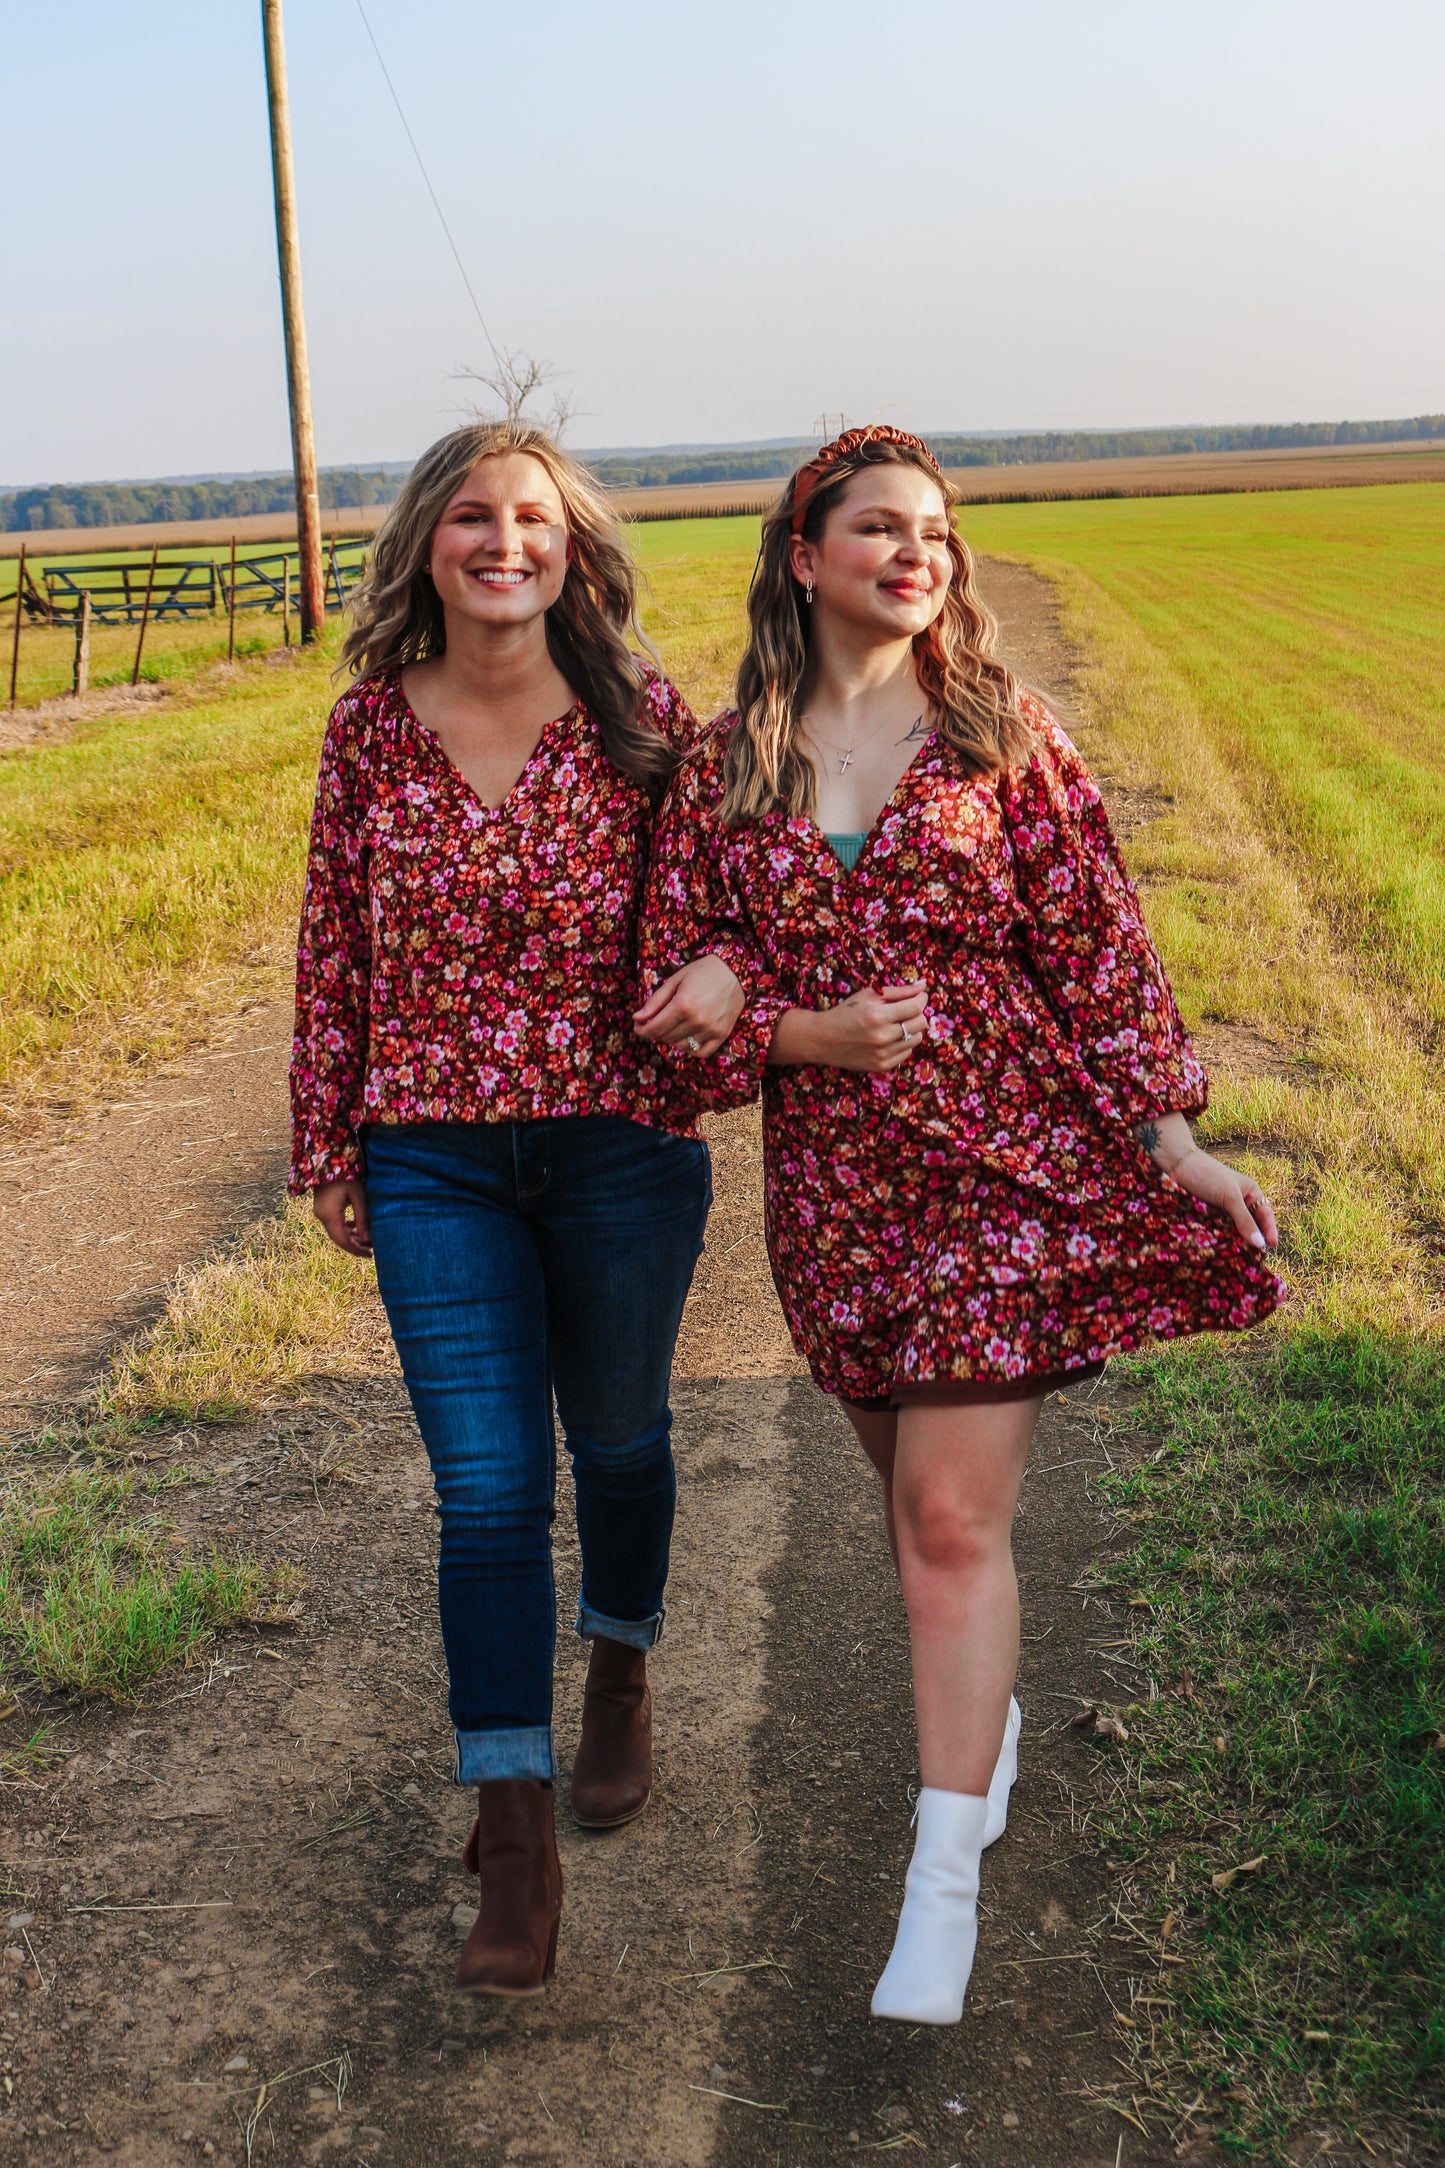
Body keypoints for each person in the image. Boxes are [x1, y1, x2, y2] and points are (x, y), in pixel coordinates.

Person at [638, 424, 1284, 2025]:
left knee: (943, 1521)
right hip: (839, 1196)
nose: (915, 554)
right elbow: (669, 1004)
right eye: (876, 530)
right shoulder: (733, 762)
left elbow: (1099, 944)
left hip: (1010, 1170)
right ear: (803, 557)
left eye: (934, 532)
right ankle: (974, 1729)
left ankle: (940, 1887)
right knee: (907, 1492)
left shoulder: (1006, 737)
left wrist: (1172, 1135)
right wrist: (791, 1030)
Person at [289, 421, 744, 1999]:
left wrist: (729, 972)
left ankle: (617, 1669)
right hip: (430, 1157)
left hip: (617, 1142)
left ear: (571, 546)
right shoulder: (367, 734)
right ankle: (516, 1830)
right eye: (471, 516)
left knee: (617, 1442)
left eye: (531, 519)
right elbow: (330, 951)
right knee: (486, 1493)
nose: (503, 541)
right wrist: (327, 1146)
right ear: (428, 541)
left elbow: (719, 912)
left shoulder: (639, 718)